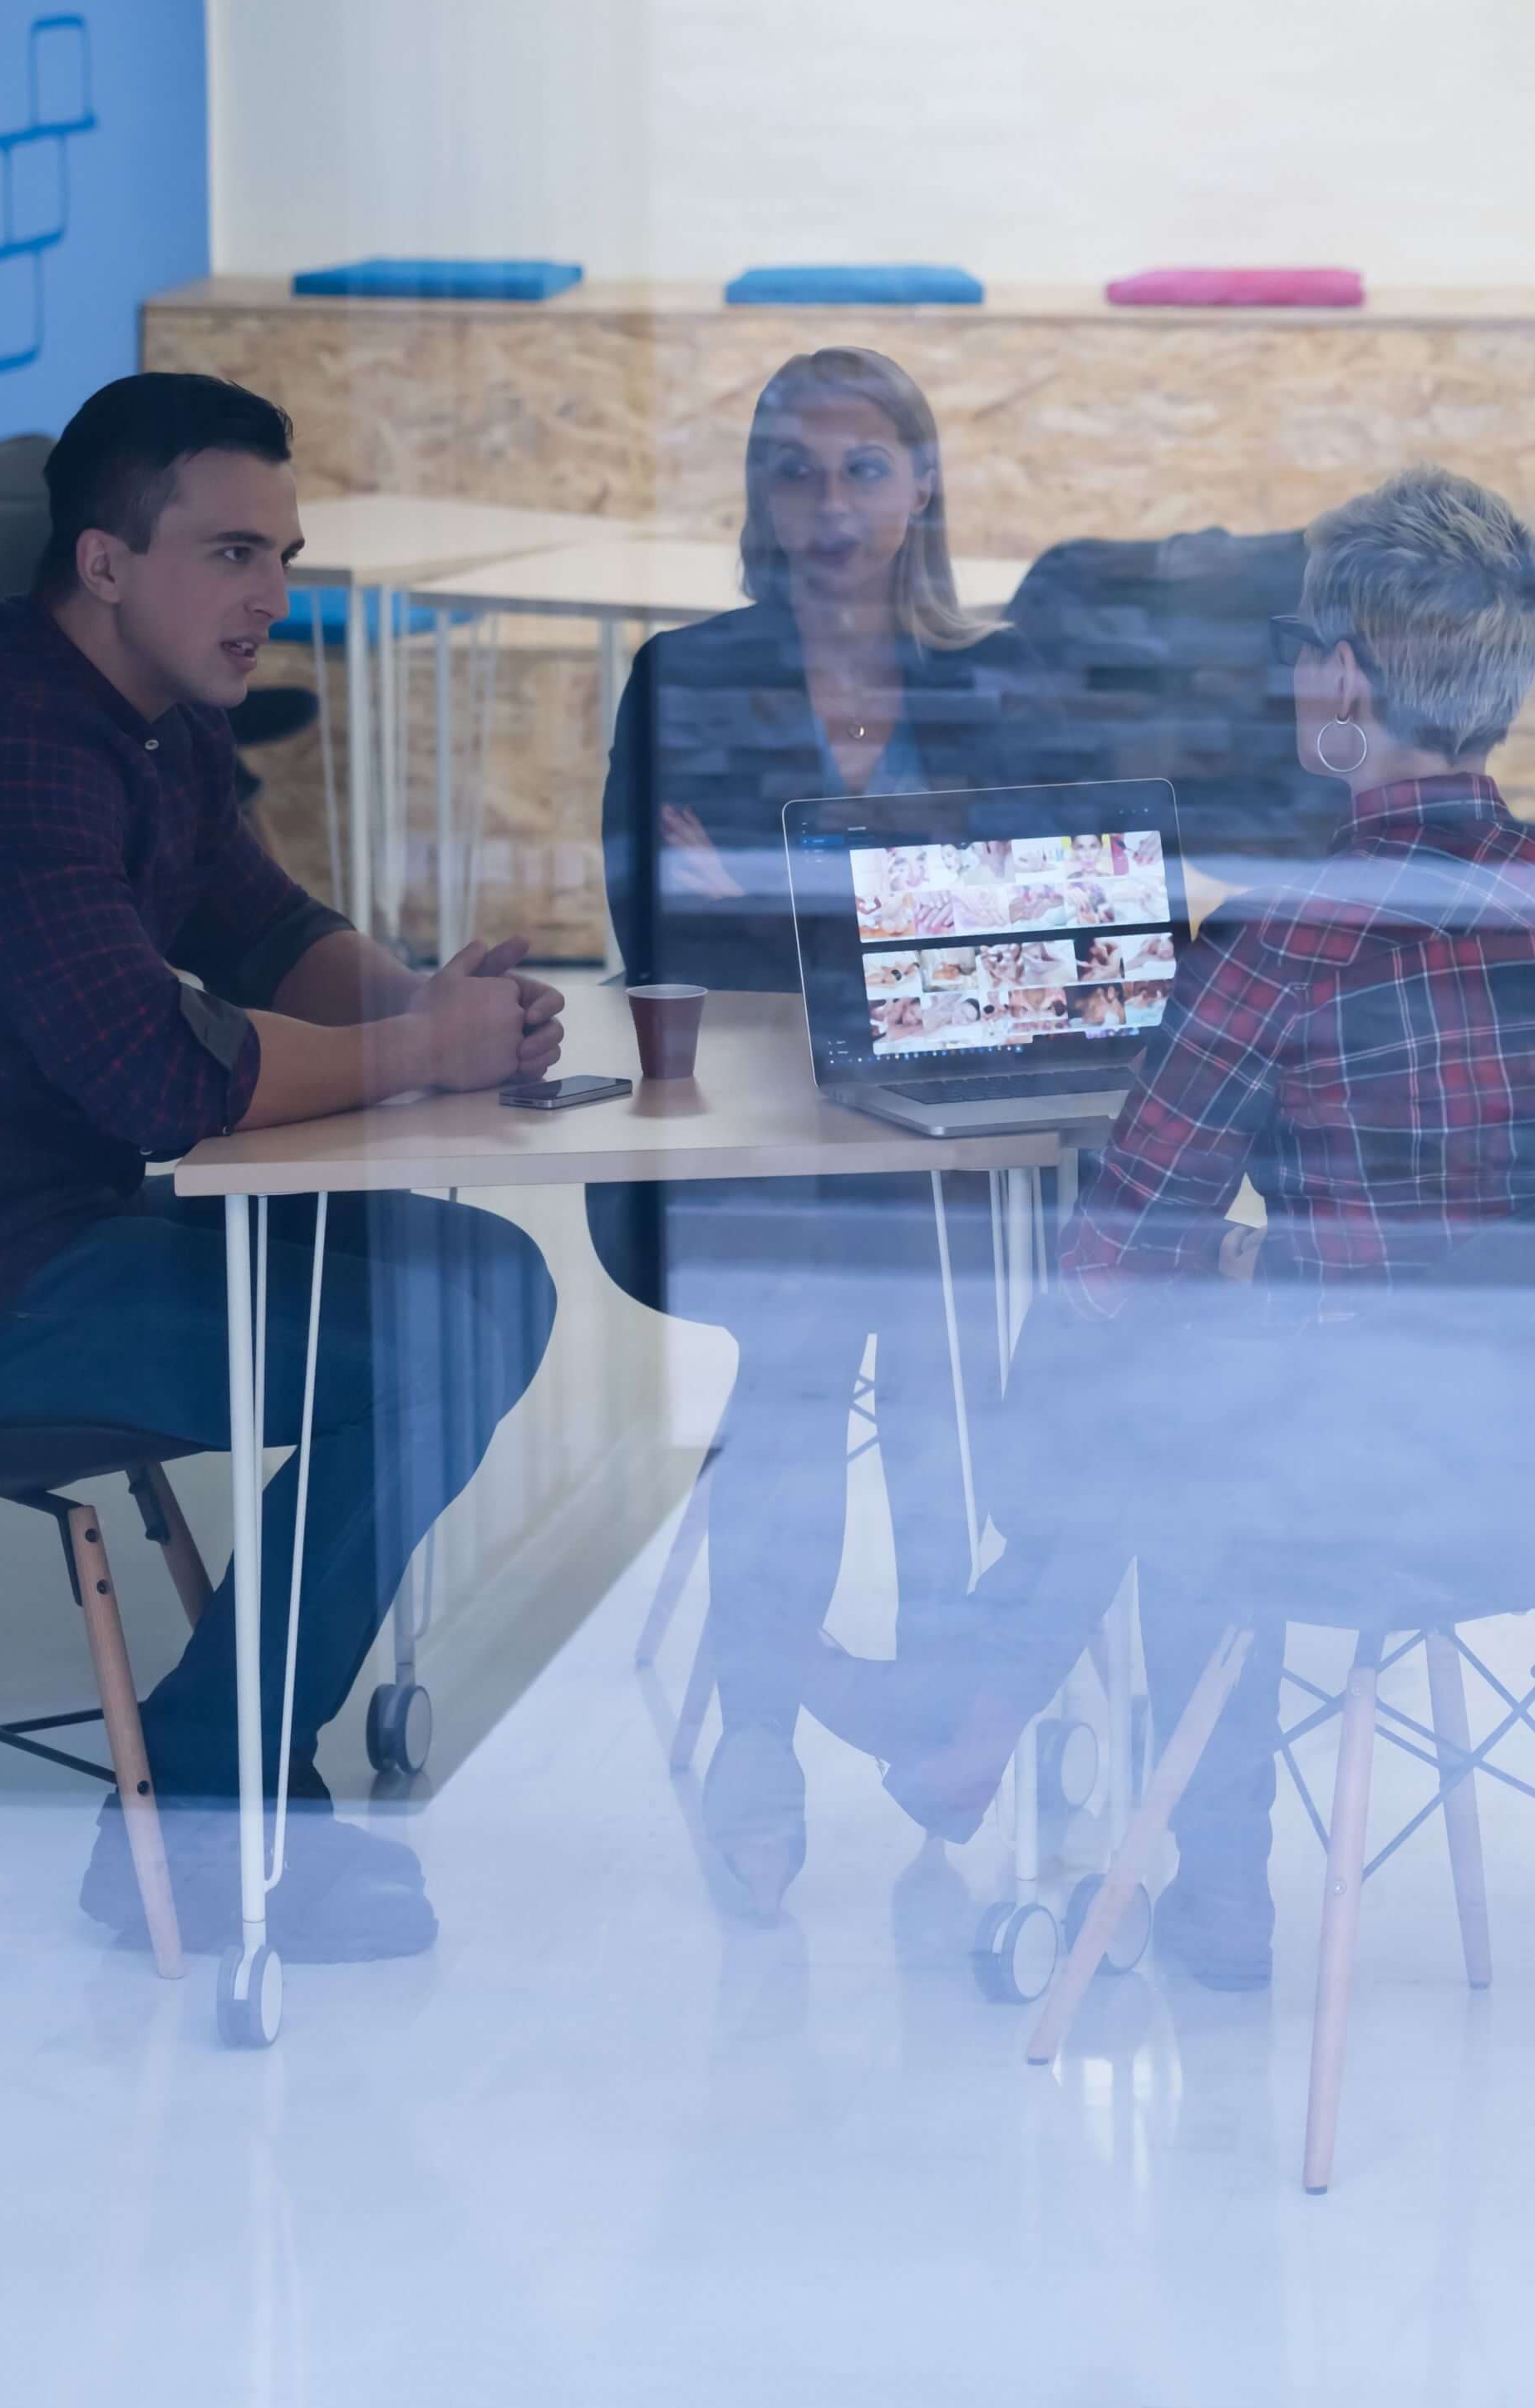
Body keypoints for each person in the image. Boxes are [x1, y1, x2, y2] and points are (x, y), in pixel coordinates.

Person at [824, 467, 1535, 1990]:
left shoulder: (1283, 937)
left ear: (1348, 678)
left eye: (1302, 645)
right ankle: (990, 1725)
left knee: (1152, 1367)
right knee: (1221, 1371)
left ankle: (1053, 1757)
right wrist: (1277, 1263)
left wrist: (1238, 1257)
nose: (1292, 672)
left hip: (1370, 1485)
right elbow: (1522, 1201)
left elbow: (1113, 1254)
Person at [0, 371, 563, 1963]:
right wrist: (430, 1054)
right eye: (229, 553)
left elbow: (264, 929)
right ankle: (209, 1804)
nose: (271, 595)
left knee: (481, 1283)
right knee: (449, 1316)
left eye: (282, 552)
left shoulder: (153, 723)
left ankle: (213, 1779)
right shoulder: (6, 747)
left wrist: (419, 1003)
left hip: (85, 1234)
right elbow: (156, 1076)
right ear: (103, 562)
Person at [590, 347, 1084, 1916]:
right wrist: (884, 925)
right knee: (818, 1342)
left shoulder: (997, 687)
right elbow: (652, 925)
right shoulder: (687, 677)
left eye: (865, 470)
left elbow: (1026, 951)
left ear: (923, 488)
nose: (829, 504)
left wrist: (781, 898)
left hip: (946, 1147)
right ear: (759, 497)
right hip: (749, 1151)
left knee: (932, 1344)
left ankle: (938, 1702)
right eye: (795, 472)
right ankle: (767, 1738)